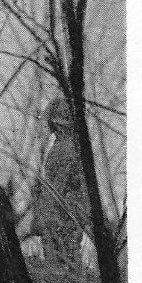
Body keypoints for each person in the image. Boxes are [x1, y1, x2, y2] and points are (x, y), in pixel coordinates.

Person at [22, 97, 91, 265]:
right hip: (68, 219)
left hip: (61, 221)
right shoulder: (72, 147)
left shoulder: (64, 149)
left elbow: (56, 192)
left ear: (56, 123)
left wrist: (38, 221)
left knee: (61, 267)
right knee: (69, 264)